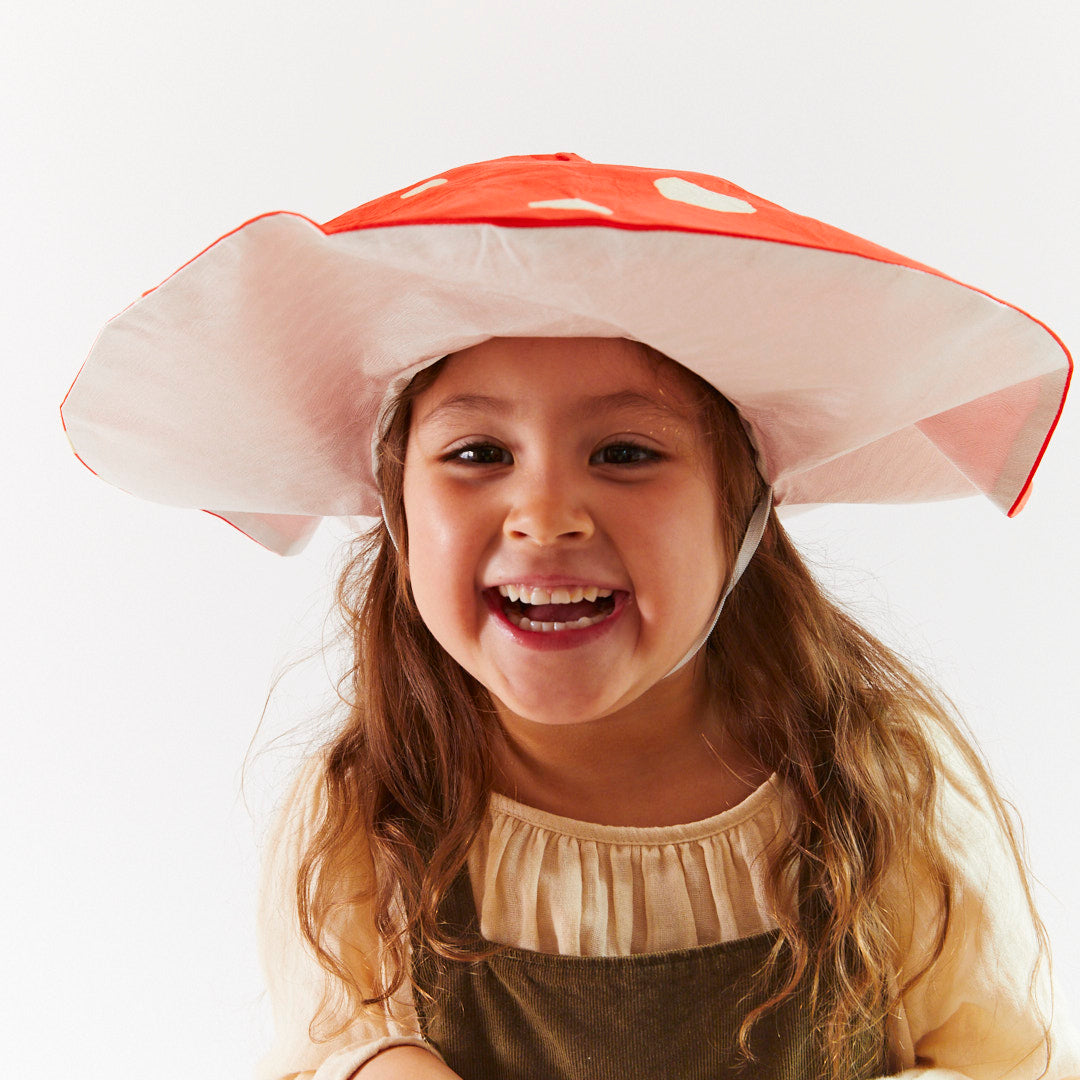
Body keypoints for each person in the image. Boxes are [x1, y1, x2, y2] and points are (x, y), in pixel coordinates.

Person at [61, 154, 1079, 1079]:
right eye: (477, 455)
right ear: (399, 512)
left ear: (742, 520)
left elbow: (990, 1050)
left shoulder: (860, 785)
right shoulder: (376, 815)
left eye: (626, 453)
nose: (545, 515)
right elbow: (332, 1039)